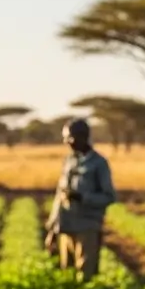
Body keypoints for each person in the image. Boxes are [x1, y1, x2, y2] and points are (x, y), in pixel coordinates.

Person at [43, 118, 116, 279]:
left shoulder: (99, 163)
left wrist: (82, 197)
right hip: (66, 225)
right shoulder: (69, 160)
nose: (66, 142)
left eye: (69, 137)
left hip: (87, 227)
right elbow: (59, 197)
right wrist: (52, 228)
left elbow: (109, 197)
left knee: (85, 274)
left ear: (82, 137)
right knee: (66, 273)